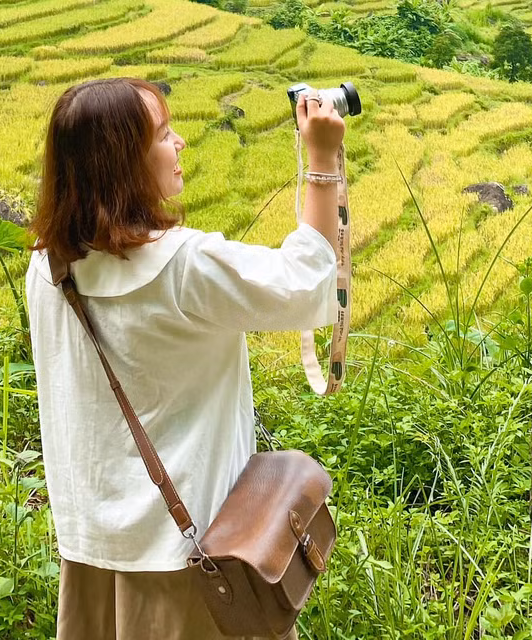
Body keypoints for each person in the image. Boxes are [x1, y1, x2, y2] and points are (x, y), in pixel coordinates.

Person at [27, 76, 346, 640]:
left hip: (93, 547)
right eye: (164, 135)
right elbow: (311, 285)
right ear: (121, 163)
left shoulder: (49, 267)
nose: (179, 145)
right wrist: (322, 160)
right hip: (196, 559)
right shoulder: (183, 267)